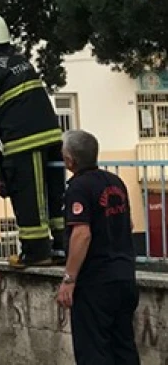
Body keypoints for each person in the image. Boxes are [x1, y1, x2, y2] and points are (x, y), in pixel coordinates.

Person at [0, 11, 65, 267]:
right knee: (54, 195)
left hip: (24, 141)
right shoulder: (19, 61)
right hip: (52, 136)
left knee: (28, 194)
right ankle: (63, 246)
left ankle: (36, 251)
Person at [55, 130, 139, 364]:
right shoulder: (115, 182)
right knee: (124, 348)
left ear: (70, 161)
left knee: (93, 351)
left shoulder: (78, 188)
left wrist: (69, 280)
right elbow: (128, 224)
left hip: (96, 284)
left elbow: (82, 234)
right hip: (124, 278)